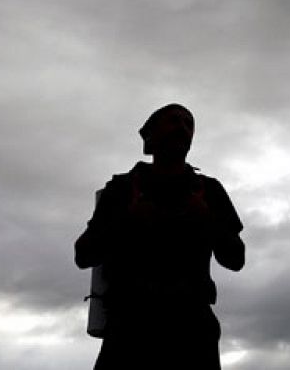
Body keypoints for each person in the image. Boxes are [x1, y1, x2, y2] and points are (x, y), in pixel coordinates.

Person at [75, 103, 244, 370]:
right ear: (150, 137)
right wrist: (127, 221)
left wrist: (207, 221)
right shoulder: (121, 189)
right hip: (129, 332)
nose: (182, 128)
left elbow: (236, 259)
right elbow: (83, 254)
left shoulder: (209, 191)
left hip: (193, 333)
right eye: (174, 120)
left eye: (189, 124)